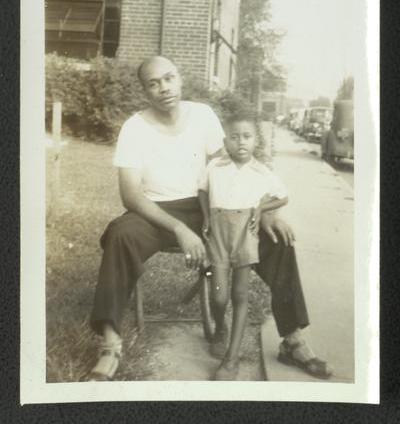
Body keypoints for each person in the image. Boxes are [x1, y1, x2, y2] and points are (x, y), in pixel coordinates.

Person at [86, 55, 332, 381]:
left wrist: (266, 210)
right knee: (121, 234)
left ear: (180, 79)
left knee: (277, 239)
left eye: (169, 78)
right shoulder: (135, 128)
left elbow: (232, 167)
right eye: (153, 83)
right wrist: (179, 229)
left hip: (212, 207)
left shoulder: (201, 116)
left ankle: (292, 339)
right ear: (145, 90)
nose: (164, 88)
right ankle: (111, 343)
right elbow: (131, 195)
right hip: (158, 212)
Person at [199, 112, 289, 380]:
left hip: (244, 237)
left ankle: (232, 358)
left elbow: (283, 197)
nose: (241, 143)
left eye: (247, 137)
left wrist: (260, 208)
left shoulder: (262, 172)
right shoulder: (214, 167)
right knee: (218, 295)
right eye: (234, 137)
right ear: (226, 142)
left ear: (255, 141)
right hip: (218, 235)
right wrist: (205, 216)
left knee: (240, 296)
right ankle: (220, 328)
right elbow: (203, 190)